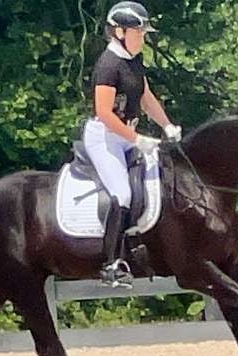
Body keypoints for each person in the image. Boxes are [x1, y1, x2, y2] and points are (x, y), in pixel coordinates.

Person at [83, 1, 182, 288]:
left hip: (126, 135)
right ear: (119, 32)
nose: (143, 37)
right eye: (138, 32)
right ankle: (111, 263)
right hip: (105, 137)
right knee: (122, 194)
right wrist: (137, 139)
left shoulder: (133, 60)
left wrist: (167, 125)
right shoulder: (108, 65)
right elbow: (104, 113)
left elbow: (146, 97)